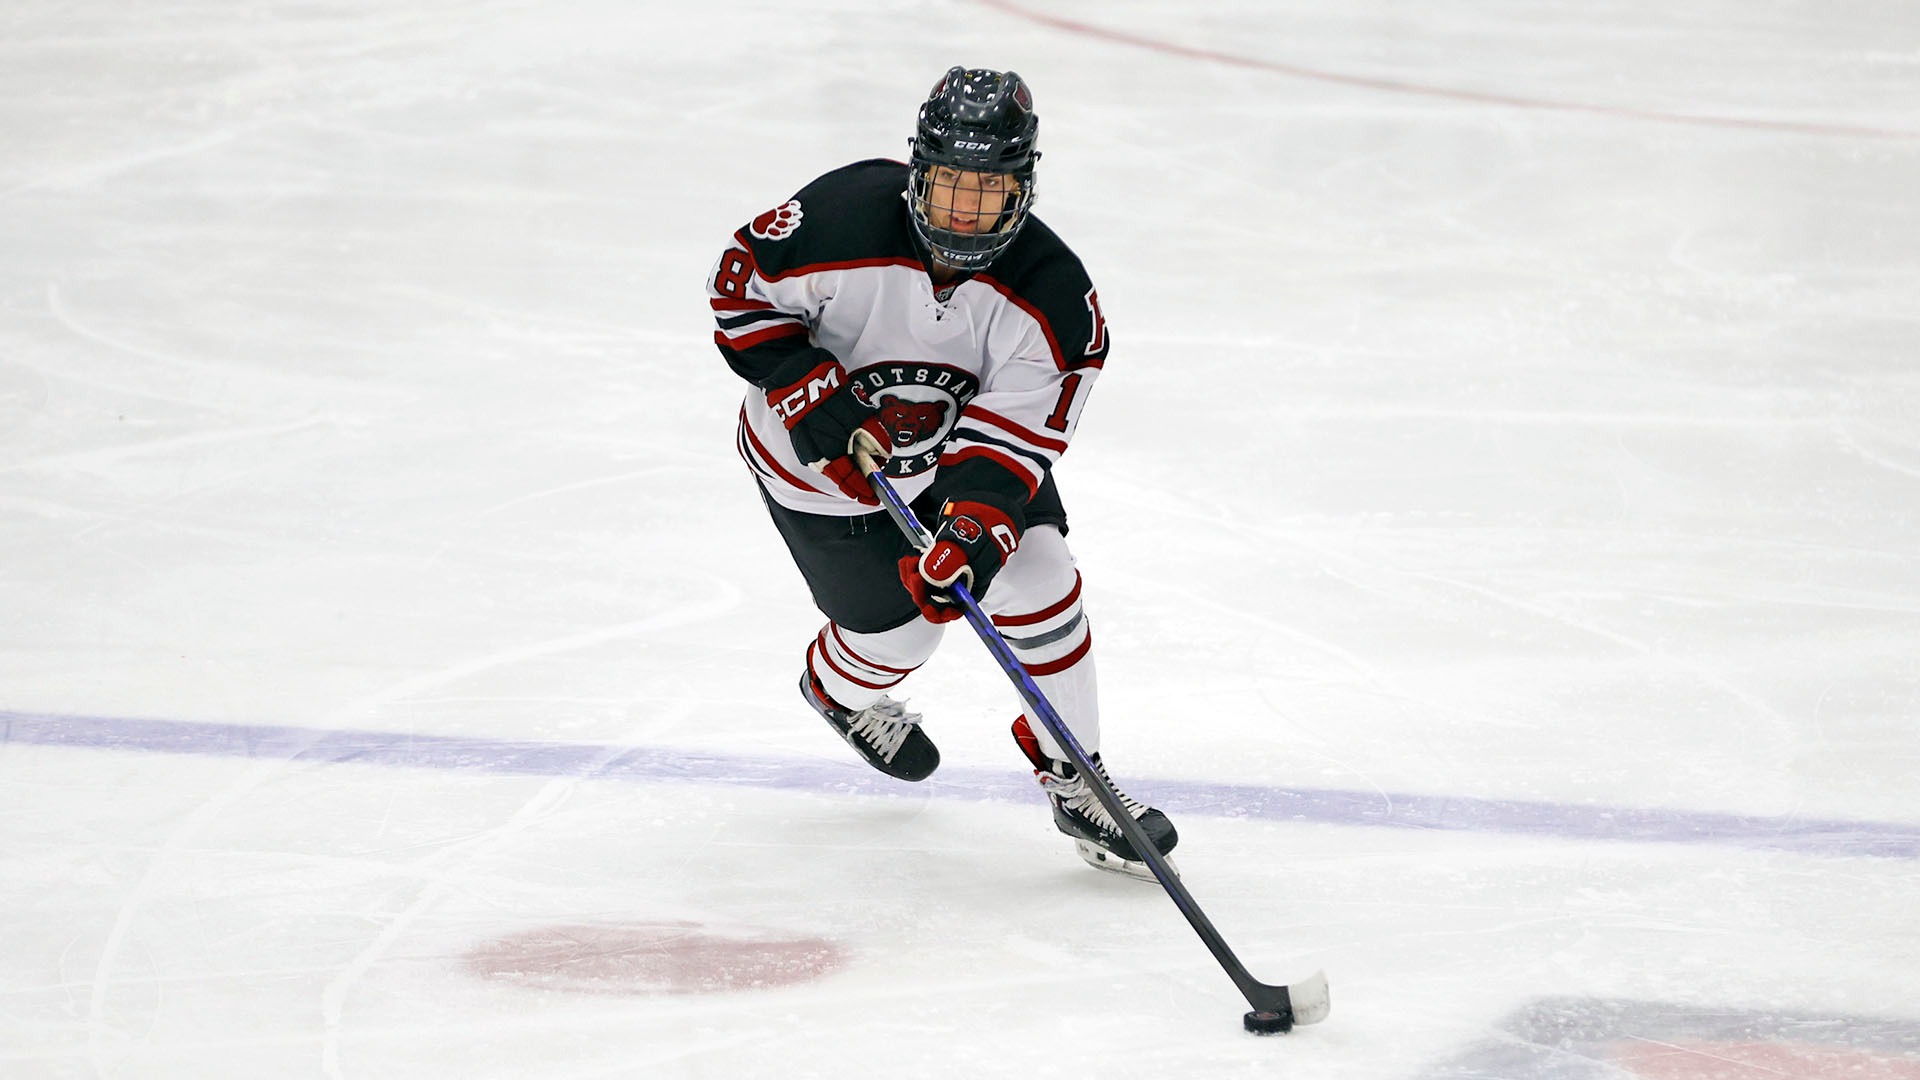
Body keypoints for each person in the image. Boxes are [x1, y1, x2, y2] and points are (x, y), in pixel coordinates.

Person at [706, 66, 1176, 877]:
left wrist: (977, 519)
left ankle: (1078, 777)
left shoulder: (1055, 297)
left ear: (1023, 189)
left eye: (989, 189)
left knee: (1040, 577)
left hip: (957, 459)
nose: (964, 207)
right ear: (919, 172)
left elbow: (1015, 434)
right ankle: (837, 690)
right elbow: (742, 293)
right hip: (812, 475)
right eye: (951, 182)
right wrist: (808, 390)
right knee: (905, 635)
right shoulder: (840, 218)